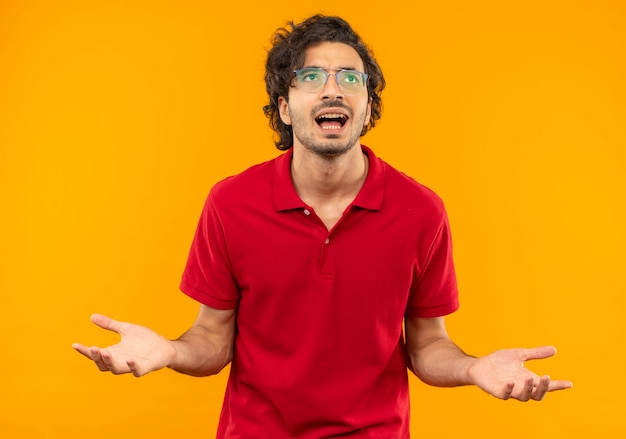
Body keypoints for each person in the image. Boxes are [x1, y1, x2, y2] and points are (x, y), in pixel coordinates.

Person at [73, 15, 572, 438]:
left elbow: (426, 346)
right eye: (310, 77)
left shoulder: (420, 210)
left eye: (350, 78)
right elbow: (211, 340)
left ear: (368, 109)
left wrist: (473, 368)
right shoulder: (231, 203)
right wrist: (167, 350)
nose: (332, 88)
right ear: (285, 108)